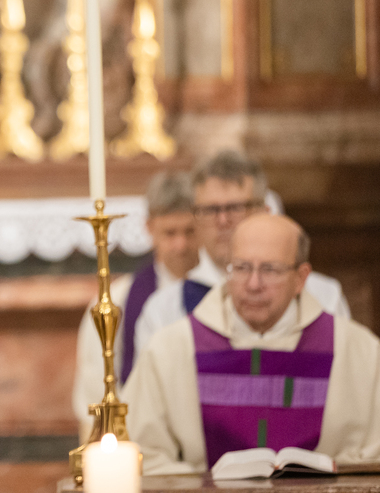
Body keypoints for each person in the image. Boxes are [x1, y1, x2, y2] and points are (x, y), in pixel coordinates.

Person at [125, 213, 380, 474]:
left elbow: (373, 459)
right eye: (242, 268)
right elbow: (141, 454)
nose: (253, 284)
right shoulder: (171, 349)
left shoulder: (358, 352)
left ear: (301, 278)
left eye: (270, 269)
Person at [133, 150, 349, 359]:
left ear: (264, 212)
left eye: (235, 208)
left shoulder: (323, 298)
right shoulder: (163, 311)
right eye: (210, 210)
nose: (222, 221)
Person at [71, 171, 199, 441]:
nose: (181, 245)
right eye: (170, 233)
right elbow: (95, 390)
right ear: (149, 228)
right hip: (140, 440)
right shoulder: (115, 302)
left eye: (190, 231)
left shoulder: (221, 294)